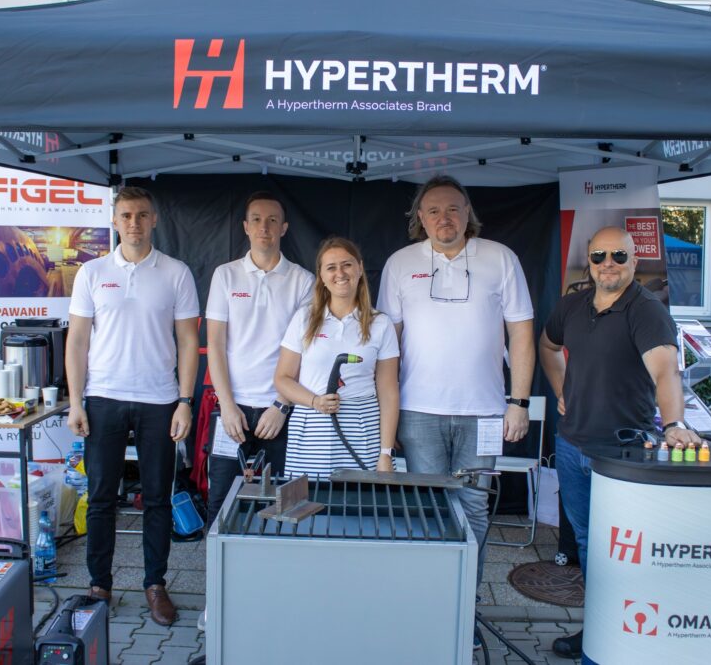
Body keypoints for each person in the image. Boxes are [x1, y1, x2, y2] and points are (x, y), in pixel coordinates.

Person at [539, 226, 700, 658]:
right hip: (572, 446)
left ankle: (631, 635)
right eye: (599, 256)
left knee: (627, 548)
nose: (607, 263)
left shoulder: (646, 310)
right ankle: (599, 630)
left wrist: (674, 423)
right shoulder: (572, 305)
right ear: (588, 260)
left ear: (634, 260)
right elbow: (548, 346)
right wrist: (561, 390)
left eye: (618, 255)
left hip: (624, 455)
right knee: (588, 544)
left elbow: (666, 371)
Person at [377, 175, 535, 586]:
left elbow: (521, 333)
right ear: (420, 218)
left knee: (474, 507)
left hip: (484, 413)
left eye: (452, 208)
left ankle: (467, 602)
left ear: (468, 213)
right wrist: (387, 415)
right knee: (428, 506)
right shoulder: (400, 263)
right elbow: (388, 346)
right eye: (433, 210)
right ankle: (433, 598)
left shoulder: (500, 258)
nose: (443, 218)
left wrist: (518, 403)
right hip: (418, 412)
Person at [65, 186, 200, 627]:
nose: (134, 223)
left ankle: (155, 584)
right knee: (101, 497)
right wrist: (76, 401)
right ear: (115, 221)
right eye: (126, 215)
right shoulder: (92, 272)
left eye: (142, 215)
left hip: (159, 399)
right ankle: (99, 586)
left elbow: (188, 341)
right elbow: (78, 341)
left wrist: (185, 401)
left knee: (158, 498)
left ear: (154, 219)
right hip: (103, 397)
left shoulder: (176, 273)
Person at [204, 191, 313, 526]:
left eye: (272, 220)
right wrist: (227, 406)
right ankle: (218, 562)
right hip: (231, 409)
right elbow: (215, 344)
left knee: (279, 504)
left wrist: (282, 405)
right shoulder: (225, 275)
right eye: (256, 220)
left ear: (284, 228)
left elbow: (307, 352)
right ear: (246, 227)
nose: (264, 227)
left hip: (279, 411)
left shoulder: (303, 280)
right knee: (221, 501)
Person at [275, 237, 399, 476]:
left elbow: (388, 392)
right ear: (321, 276)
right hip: (311, 431)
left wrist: (385, 453)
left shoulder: (380, 323)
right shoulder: (304, 318)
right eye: (331, 267)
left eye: (347, 265)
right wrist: (315, 401)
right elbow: (282, 378)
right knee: (309, 499)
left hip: (363, 431)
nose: (340, 273)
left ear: (360, 268)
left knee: (360, 499)